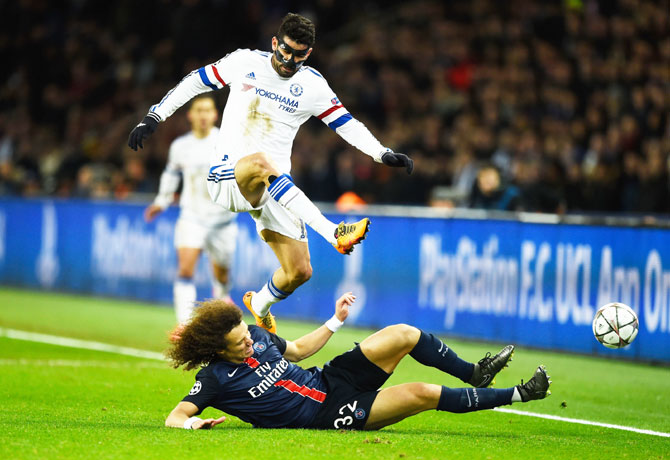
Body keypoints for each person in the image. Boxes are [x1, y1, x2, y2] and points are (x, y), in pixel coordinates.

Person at [128, 13, 413, 334]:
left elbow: (346, 123)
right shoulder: (244, 62)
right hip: (228, 176)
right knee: (263, 162)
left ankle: (260, 303)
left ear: (309, 54)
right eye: (286, 51)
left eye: (300, 55)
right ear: (275, 43)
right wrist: (155, 116)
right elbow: (196, 80)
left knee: (300, 271)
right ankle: (334, 233)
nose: (290, 60)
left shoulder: (313, 86)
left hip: (274, 186)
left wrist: (382, 153)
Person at [164, 294, 551, 431]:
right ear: (219, 350)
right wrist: (194, 422)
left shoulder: (258, 334)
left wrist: (335, 321)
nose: (249, 339)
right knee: (421, 393)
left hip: (331, 378)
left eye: (247, 334)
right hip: (327, 414)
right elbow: (175, 417)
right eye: (240, 342)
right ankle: (519, 394)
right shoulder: (215, 378)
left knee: (403, 333)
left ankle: (475, 373)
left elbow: (297, 350)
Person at [144, 95, 238, 326]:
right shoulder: (180, 146)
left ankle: (222, 296)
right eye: (199, 110)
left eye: (208, 110)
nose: (203, 115)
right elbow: (171, 173)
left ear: (215, 115)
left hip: (222, 220)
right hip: (192, 217)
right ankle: (185, 325)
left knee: (222, 275)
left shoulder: (228, 141)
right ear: (191, 115)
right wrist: (162, 200)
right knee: (185, 269)